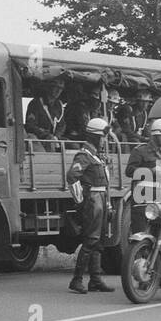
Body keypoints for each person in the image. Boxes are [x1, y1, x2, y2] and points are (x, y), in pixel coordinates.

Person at [67, 117, 114, 293]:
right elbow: (72, 176)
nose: (104, 141)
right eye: (102, 137)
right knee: (90, 240)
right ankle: (77, 279)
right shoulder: (84, 156)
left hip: (100, 199)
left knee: (99, 241)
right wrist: (80, 200)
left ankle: (95, 279)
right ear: (95, 137)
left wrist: (108, 204)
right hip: (93, 200)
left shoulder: (96, 157)